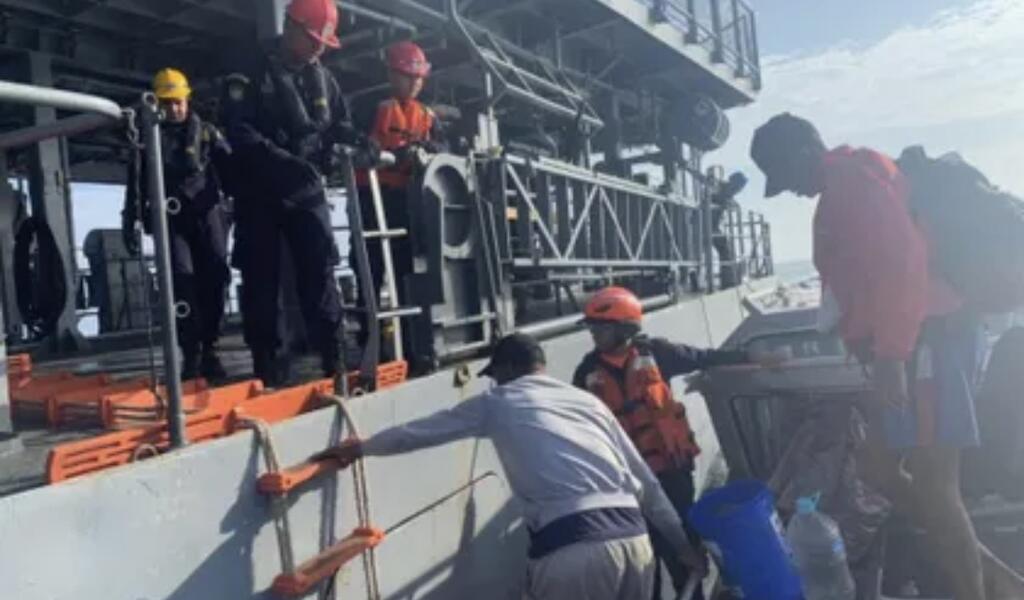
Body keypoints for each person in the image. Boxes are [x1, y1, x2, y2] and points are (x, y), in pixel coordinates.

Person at [750, 112, 1024, 600]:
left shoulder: (855, 180)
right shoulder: (844, 188)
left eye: (783, 174)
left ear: (802, 153)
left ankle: (978, 592)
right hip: (910, 347)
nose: (787, 189)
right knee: (877, 465)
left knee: (937, 485)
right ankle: (995, 577)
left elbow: (903, 268)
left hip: (928, 343)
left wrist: (892, 358)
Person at [317, 333, 706, 600]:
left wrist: (363, 447)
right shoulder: (589, 402)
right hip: (635, 541)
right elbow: (647, 486)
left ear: (505, 370)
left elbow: (420, 432)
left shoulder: (501, 400)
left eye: (495, 375)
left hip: (571, 548)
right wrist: (681, 546)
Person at [571, 285, 781, 600]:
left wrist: (755, 357)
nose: (594, 334)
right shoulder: (586, 373)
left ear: (625, 328)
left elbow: (705, 357)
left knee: (684, 552)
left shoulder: (658, 353)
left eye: (601, 327)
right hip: (625, 482)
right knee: (642, 559)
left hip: (671, 474)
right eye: (592, 328)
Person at [221, 0, 368, 386]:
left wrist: (357, 142)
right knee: (260, 279)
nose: (320, 48)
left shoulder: (324, 80)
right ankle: (267, 368)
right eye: (315, 39)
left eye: (323, 42)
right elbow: (238, 131)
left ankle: (335, 361)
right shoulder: (250, 72)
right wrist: (284, 160)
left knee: (320, 274)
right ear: (292, 28)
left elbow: (340, 124)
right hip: (261, 194)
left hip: (306, 192)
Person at [122, 67, 232, 380]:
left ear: (187, 100)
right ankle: (191, 353)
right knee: (181, 283)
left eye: (178, 102)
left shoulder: (208, 133)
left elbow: (233, 168)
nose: (173, 108)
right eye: (166, 103)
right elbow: (136, 184)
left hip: (209, 216)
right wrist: (129, 220)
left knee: (215, 277)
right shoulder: (146, 140)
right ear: (156, 103)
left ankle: (211, 348)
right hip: (171, 221)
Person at [352, 40, 442, 363]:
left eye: (419, 77)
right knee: (369, 271)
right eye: (408, 76)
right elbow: (357, 143)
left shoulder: (426, 115)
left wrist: (425, 153)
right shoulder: (372, 107)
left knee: (406, 272)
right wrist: (390, 155)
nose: (415, 83)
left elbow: (439, 148)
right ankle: (368, 343)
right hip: (371, 199)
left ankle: (410, 340)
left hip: (404, 202)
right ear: (392, 74)